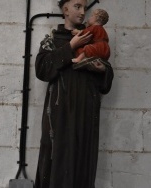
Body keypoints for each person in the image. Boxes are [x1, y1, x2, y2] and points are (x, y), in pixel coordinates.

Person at [34, 0, 114, 188]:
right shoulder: (53, 40)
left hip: (86, 108)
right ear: (65, 9)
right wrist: (71, 45)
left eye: (85, 8)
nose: (82, 12)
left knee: (82, 157)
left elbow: (106, 79)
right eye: (77, 6)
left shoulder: (95, 38)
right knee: (56, 156)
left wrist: (103, 69)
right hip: (59, 110)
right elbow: (42, 70)